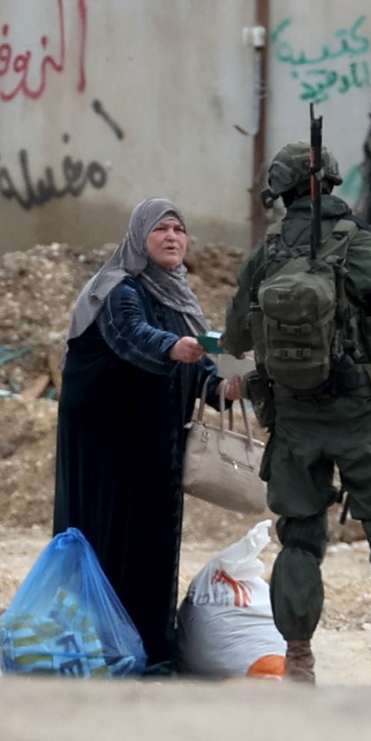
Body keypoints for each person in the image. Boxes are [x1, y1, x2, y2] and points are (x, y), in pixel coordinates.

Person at [223, 143, 371, 687]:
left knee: (299, 538)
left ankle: (298, 661)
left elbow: (236, 338)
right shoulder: (362, 246)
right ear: (331, 185)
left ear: (281, 193)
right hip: (363, 415)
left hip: (293, 421)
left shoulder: (264, 254)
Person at [54, 198, 236, 672]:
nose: (172, 237)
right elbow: (131, 336)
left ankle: (151, 651)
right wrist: (173, 346)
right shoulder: (119, 290)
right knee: (108, 543)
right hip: (107, 447)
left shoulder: (176, 299)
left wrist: (225, 386)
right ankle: (101, 650)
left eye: (179, 229)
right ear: (140, 237)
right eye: (161, 229)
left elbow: (198, 370)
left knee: (153, 549)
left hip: (154, 445)